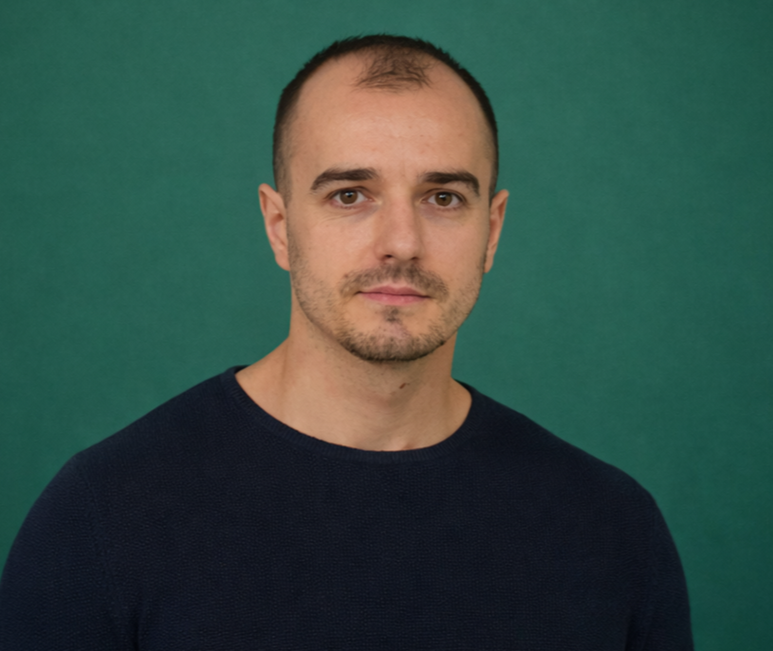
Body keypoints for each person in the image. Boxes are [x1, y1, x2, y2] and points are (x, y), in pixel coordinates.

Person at [0, 35, 693, 649]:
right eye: (349, 195)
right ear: (278, 224)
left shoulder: (611, 529)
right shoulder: (103, 516)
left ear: (493, 227)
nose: (400, 241)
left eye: (443, 197)